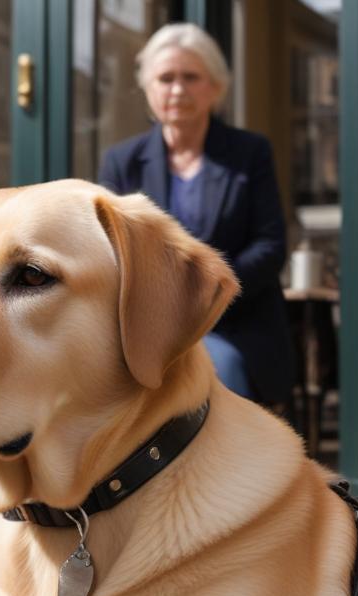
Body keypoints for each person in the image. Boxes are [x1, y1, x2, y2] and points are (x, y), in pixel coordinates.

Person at [99, 22, 295, 408]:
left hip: (234, 324)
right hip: (146, 329)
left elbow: (270, 246)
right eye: (166, 78)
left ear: (215, 87)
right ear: (148, 88)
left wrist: (204, 299)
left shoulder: (249, 153)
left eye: (191, 77)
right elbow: (108, 252)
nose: (177, 90)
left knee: (219, 373)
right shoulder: (121, 162)